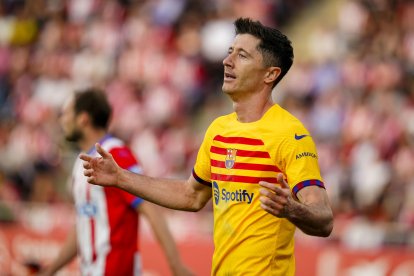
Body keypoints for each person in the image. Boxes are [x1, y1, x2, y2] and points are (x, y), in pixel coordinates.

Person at [80, 18, 334, 275]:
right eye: (229, 52)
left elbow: (323, 219)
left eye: (242, 55)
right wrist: (121, 177)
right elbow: (191, 196)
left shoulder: (290, 134)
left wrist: (291, 209)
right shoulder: (219, 130)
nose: (227, 61)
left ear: (270, 74)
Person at [40, 89, 192, 276]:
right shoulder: (81, 163)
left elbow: (151, 210)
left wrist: (176, 265)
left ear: (83, 119)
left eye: (67, 114)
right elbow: (83, 225)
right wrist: (50, 270)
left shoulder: (115, 155)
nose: (62, 120)